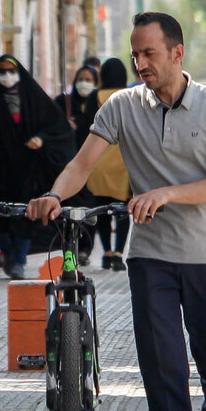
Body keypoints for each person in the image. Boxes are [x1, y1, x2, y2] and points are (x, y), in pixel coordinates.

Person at [28, 12, 206, 411]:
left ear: (176, 52)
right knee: (163, 367)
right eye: (135, 54)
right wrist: (54, 196)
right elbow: (82, 164)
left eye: (149, 53)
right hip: (149, 257)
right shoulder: (122, 106)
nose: (139, 62)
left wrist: (167, 193)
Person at [0, 55, 75, 279]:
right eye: (2, 71)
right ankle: (8, 253)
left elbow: (56, 126)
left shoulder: (33, 98)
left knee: (26, 216)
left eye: (11, 70)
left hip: (28, 169)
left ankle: (19, 260)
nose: (7, 76)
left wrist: (41, 138)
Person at [55, 64, 102, 265]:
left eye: (89, 80)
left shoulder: (99, 104)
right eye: (81, 79)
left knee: (89, 208)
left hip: (93, 164)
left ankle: (84, 249)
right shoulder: (63, 102)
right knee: (67, 208)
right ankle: (68, 250)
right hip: (67, 164)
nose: (85, 83)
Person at [88, 57, 132, 271]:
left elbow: (85, 129)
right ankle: (118, 254)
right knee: (122, 210)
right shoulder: (130, 98)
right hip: (122, 162)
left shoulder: (94, 97)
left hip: (98, 160)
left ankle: (105, 253)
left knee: (102, 210)